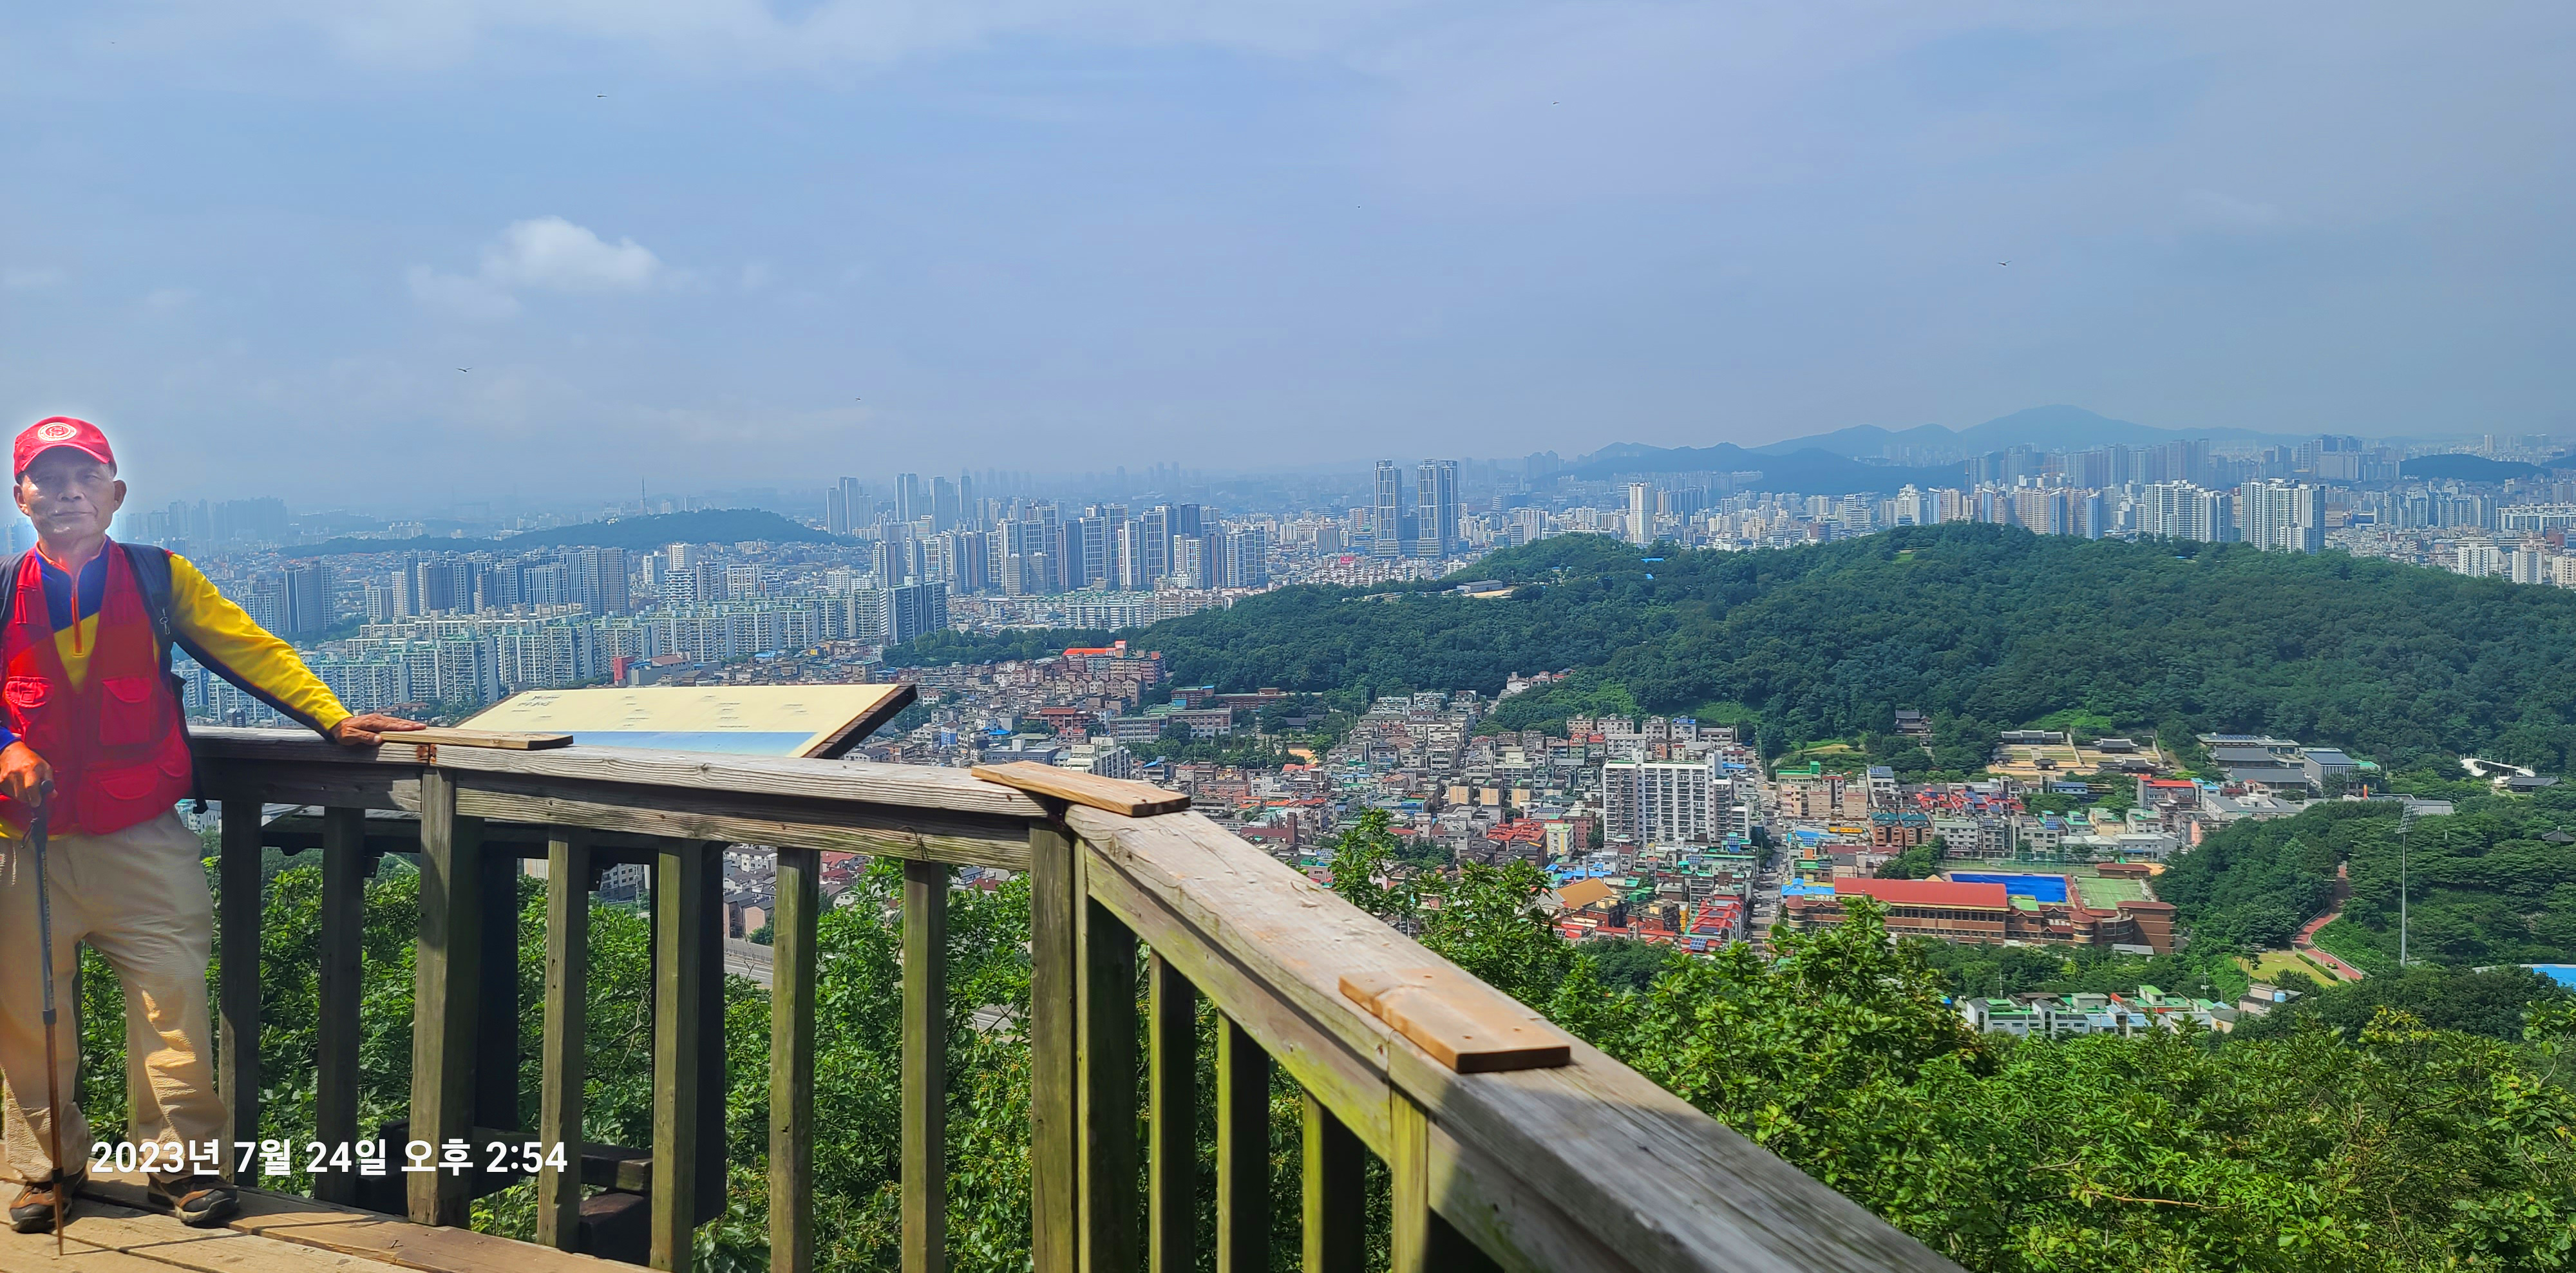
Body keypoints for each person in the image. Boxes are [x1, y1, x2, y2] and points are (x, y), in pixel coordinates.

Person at [0, 417, 422, 1232]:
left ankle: (182, 1167)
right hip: (25, 843)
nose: (67, 494)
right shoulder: (1, 587)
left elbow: (248, 648)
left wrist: (332, 718)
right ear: (21, 497)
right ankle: (47, 1167)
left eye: (84, 477)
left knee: (174, 1007)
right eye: (46, 480)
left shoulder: (158, 578)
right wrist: (6, 746)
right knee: (26, 1018)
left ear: (116, 494)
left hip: (143, 836)